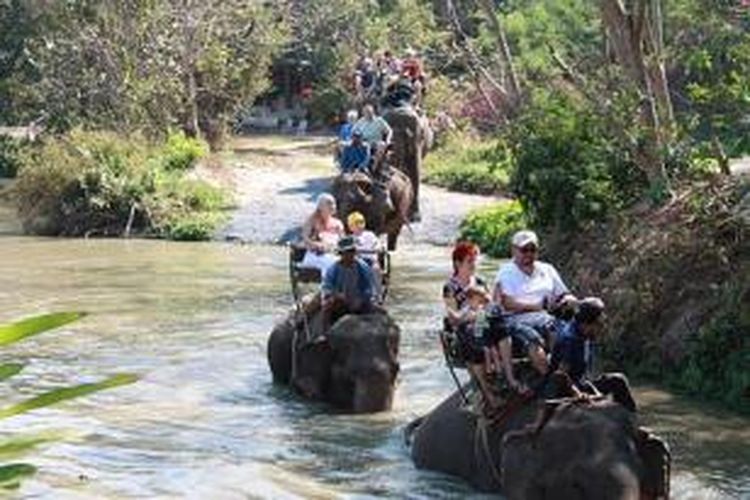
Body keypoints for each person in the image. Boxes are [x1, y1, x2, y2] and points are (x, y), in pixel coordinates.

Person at [443, 242, 521, 408]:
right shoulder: (450, 287)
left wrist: (486, 310)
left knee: (501, 325)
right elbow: (453, 318)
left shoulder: (479, 281)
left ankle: (509, 376)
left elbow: (490, 303)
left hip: (484, 321)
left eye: (475, 260)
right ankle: (488, 394)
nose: (474, 264)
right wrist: (471, 315)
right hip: (465, 327)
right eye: (469, 261)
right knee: (476, 336)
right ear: (458, 263)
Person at [493, 230, 577, 376]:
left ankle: (568, 374)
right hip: (516, 318)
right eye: (524, 250)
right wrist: (536, 306)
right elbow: (506, 303)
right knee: (533, 339)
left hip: (547, 316)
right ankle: (550, 378)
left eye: (533, 250)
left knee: (565, 331)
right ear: (514, 250)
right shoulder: (506, 272)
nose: (529, 254)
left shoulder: (547, 269)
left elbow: (564, 293)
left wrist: (568, 300)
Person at [549, 298, 637, 412]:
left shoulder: (583, 333)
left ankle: (631, 419)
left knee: (618, 380)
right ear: (586, 323)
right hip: (565, 389)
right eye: (598, 325)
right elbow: (560, 375)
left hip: (581, 383)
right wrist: (578, 393)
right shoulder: (569, 341)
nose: (600, 328)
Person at [321, 235, 380, 331]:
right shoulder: (334, 269)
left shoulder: (362, 267)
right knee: (327, 306)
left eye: (352, 251)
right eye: (348, 252)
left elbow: (369, 287)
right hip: (340, 301)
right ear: (341, 253)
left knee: (379, 310)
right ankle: (325, 332)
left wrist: (361, 299)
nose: (351, 254)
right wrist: (337, 295)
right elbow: (327, 287)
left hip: (358, 299)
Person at [301, 193, 344, 274]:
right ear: (320, 206)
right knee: (332, 262)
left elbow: (343, 241)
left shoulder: (338, 223)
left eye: (334, 203)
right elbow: (305, 239)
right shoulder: (311, 221)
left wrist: (337, 247)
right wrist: (316, 245)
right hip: (315, 255)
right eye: (329, 203)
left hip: (333, 254)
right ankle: (328, 285)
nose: (333, 206)